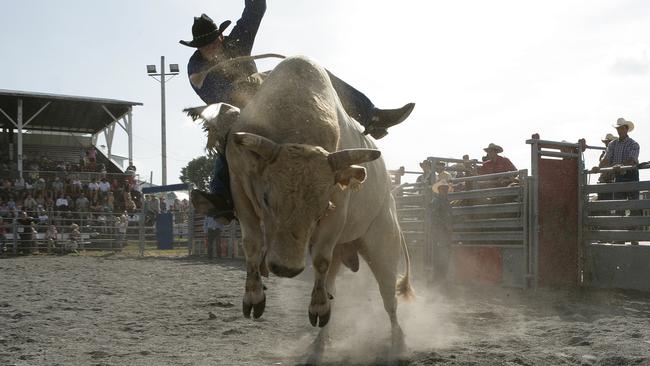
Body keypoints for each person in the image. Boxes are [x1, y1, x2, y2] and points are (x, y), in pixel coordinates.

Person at [181, 0, 415, 221]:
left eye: (213, 41)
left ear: (221, 36)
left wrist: (252, 86)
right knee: (226, 133)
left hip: (263, 94)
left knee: (316, 73)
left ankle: (370, 116)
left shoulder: (237, 41)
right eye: (205, 45)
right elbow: (213, 93)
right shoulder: (196, 67)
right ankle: (221, 196)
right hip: (233, 108)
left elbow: (255, 9)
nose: (211, 47)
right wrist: (237, 89)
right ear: (198, 48)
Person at [598, 117, 641, 244]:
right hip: (619, 176)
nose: (619, 130)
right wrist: (599, 166)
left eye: (621, 128)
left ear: (626, 129)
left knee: (633, 207)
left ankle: (634, 238)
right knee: (619, 206)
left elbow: (632, 159)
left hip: (630, 174)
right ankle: (621, 237)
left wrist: (620, 165)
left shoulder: (633, 144)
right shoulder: (613, 144)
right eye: (618, 128)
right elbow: (606, 159)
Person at [429, 180, 453, 283]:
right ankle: (437, 279)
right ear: (439, 190)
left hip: (445, 233)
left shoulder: (446, 202)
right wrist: (446, 225)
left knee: (444, 255)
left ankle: (442, 278)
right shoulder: (436, 201)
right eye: (444, 189)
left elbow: (448, 216)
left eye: (446, 189)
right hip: (439, 233)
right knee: (439, 255)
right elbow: (434, 217)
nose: (446, 190)